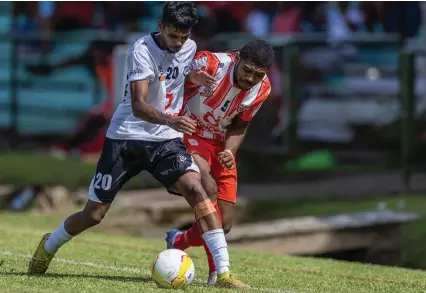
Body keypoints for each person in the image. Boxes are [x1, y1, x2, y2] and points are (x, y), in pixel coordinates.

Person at [27, 2, 249, 289]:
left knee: (199, 188)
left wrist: (191, 78)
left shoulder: (189, 48)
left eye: (183, 36)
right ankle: (49, 245)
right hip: (126, 139)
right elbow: (139, 105)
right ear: (160, 26)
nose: (178, 42)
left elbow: (178, 77)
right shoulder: (141, 50)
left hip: (165, 142)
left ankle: (223, 273)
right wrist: (173, 121)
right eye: (173, 35)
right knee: (94, 214)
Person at [166, 40, 274, 285]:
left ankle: (178, 241)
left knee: (223, 224)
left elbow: (240, 125)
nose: (250, 78)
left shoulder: (263, 88)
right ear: (237, 58)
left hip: (219, 142)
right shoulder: (211, 63)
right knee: (208, 186)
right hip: (190, 132)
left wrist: (229, 150)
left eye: (259, 74)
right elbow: (172, 83)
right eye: (247, 69)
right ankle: (218, 273)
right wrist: (192, 77)